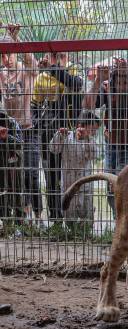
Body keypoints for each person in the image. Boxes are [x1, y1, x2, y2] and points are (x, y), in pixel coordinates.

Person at [82, 57, 128, 218]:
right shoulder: (108, 90)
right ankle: (120, 221)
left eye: (126, 82)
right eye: (119, 82)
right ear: (113, 83)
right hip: (112, 144)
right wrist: (98, 80)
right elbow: (88, 104)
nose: (122, 86)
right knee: (111, 188)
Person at [32, 51, 83, 225]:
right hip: (49, 131)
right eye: (53, 55)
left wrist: (54, 69)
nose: (57, 59)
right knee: (51, 176)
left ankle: (73, 220)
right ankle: (55, 219)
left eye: (61, 55)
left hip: (69, 131)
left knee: (72, 174)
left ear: (67, 56)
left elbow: (75, 85)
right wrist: (38, 124)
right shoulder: (42, 77)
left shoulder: (73, 70)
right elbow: (35, 104)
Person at [0, 24, 36, 221]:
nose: (5, 61)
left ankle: (30, 217)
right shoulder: (2, 74)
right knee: (10, 177)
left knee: (29, 175)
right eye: (1, 56)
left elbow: (32, 62)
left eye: (8, 55)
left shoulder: (25, 70)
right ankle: (13, 218)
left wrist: (16, 39)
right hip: (8, 133)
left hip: (27, 130)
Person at [49, 111, 100, 235]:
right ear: (80, 125)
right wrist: (59, 135)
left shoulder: (90, 141)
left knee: (86, 212)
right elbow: (53, 149)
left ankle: (85, 232)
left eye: (95, 130)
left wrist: (88, 139)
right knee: (69, 213)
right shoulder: (67, 136)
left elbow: (94, 155)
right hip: (68, 184)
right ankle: (72, 231)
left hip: (85, 185)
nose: (93, 133)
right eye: (91, 129)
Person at [0, 109, 23, 223]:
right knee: (1, 194)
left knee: (16, 190)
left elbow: (19, 143)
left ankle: (19, 223)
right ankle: (6, 223)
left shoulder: (12, 123)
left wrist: (6, 137)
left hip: (12, 161)